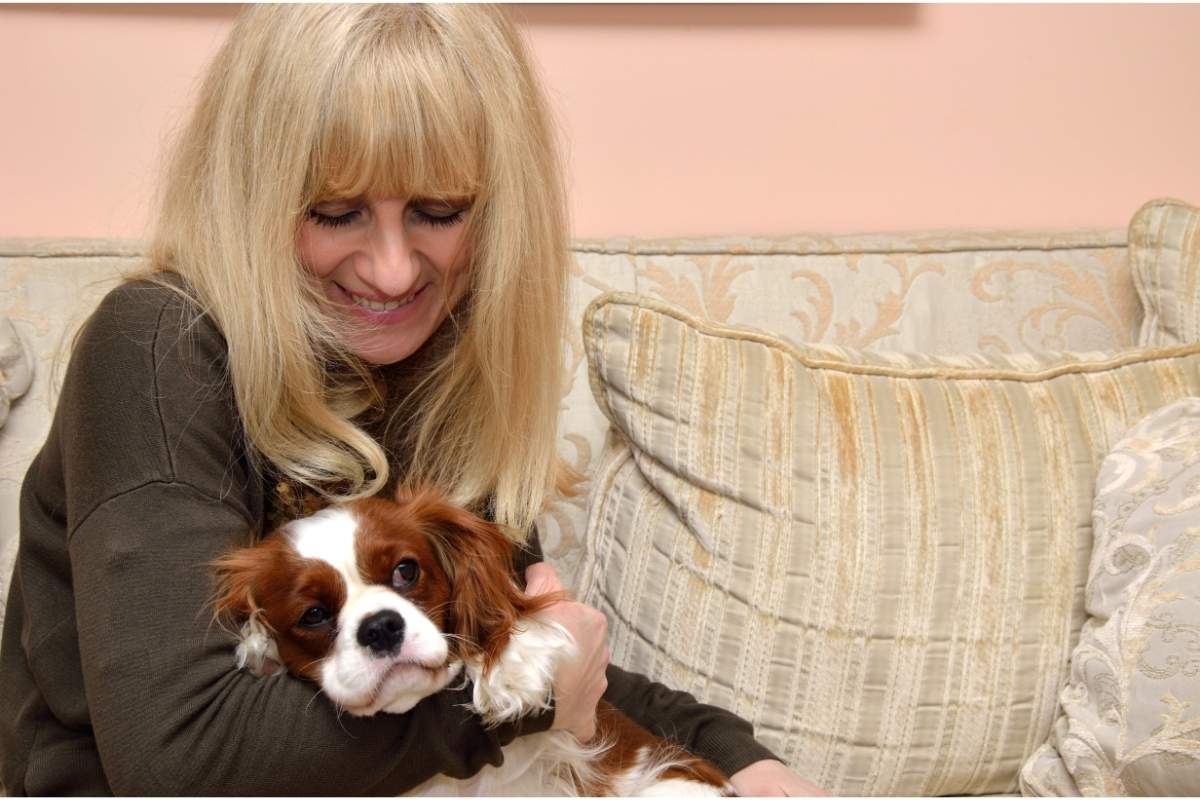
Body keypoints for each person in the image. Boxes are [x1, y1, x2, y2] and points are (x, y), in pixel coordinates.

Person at [0, 5, 824, 796]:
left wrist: (732, 753)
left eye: (438, 212)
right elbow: (178, 761)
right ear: (251, 199)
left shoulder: (438, 377)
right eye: (335, 212)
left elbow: (542, 651)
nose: (393, 270)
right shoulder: (154, 348)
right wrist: (523, 698)